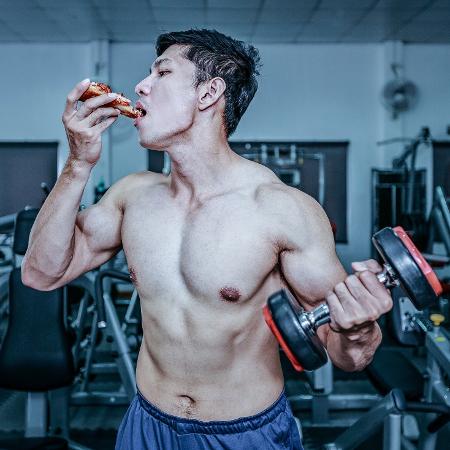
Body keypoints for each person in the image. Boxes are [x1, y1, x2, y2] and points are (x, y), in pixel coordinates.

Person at [22, 29, 392, 450]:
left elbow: (347, 356)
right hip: (146, 425)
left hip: (245, 434)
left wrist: (358, 331)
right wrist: (77, 163)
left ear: (209, 92)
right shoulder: (132, 196)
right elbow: (40, 273)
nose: (141, 86)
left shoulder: (282, 209)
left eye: (162, 72)